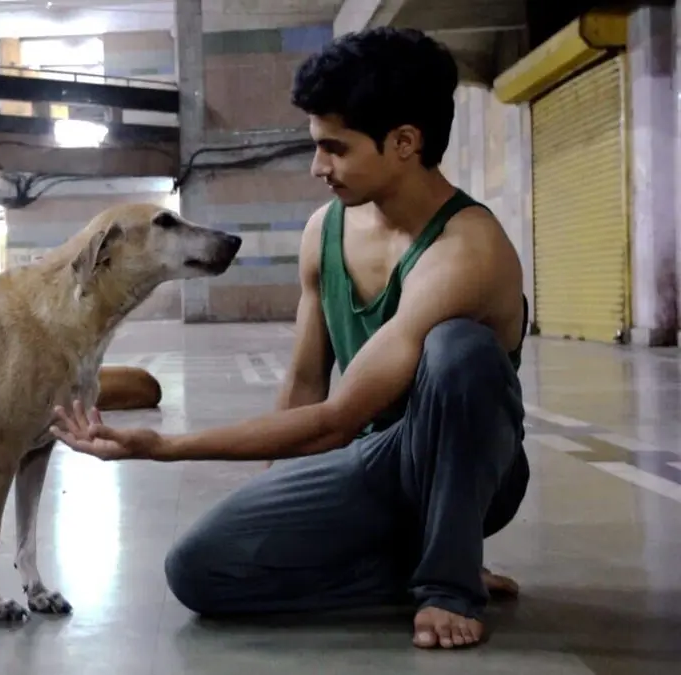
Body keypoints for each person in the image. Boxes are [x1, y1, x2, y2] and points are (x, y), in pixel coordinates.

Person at [49, 26, 530, 651]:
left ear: (404, 142)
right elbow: (306, 385)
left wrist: (164, 446)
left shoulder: (466, 251)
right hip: (376, 463)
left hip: (472, 473)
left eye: (335, 149)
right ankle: (411, 565)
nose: (317, 167)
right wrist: (274, 495)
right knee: (200, 569)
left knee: (460, 353)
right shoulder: (324, 231)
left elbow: (336, 419)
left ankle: (450, 584)